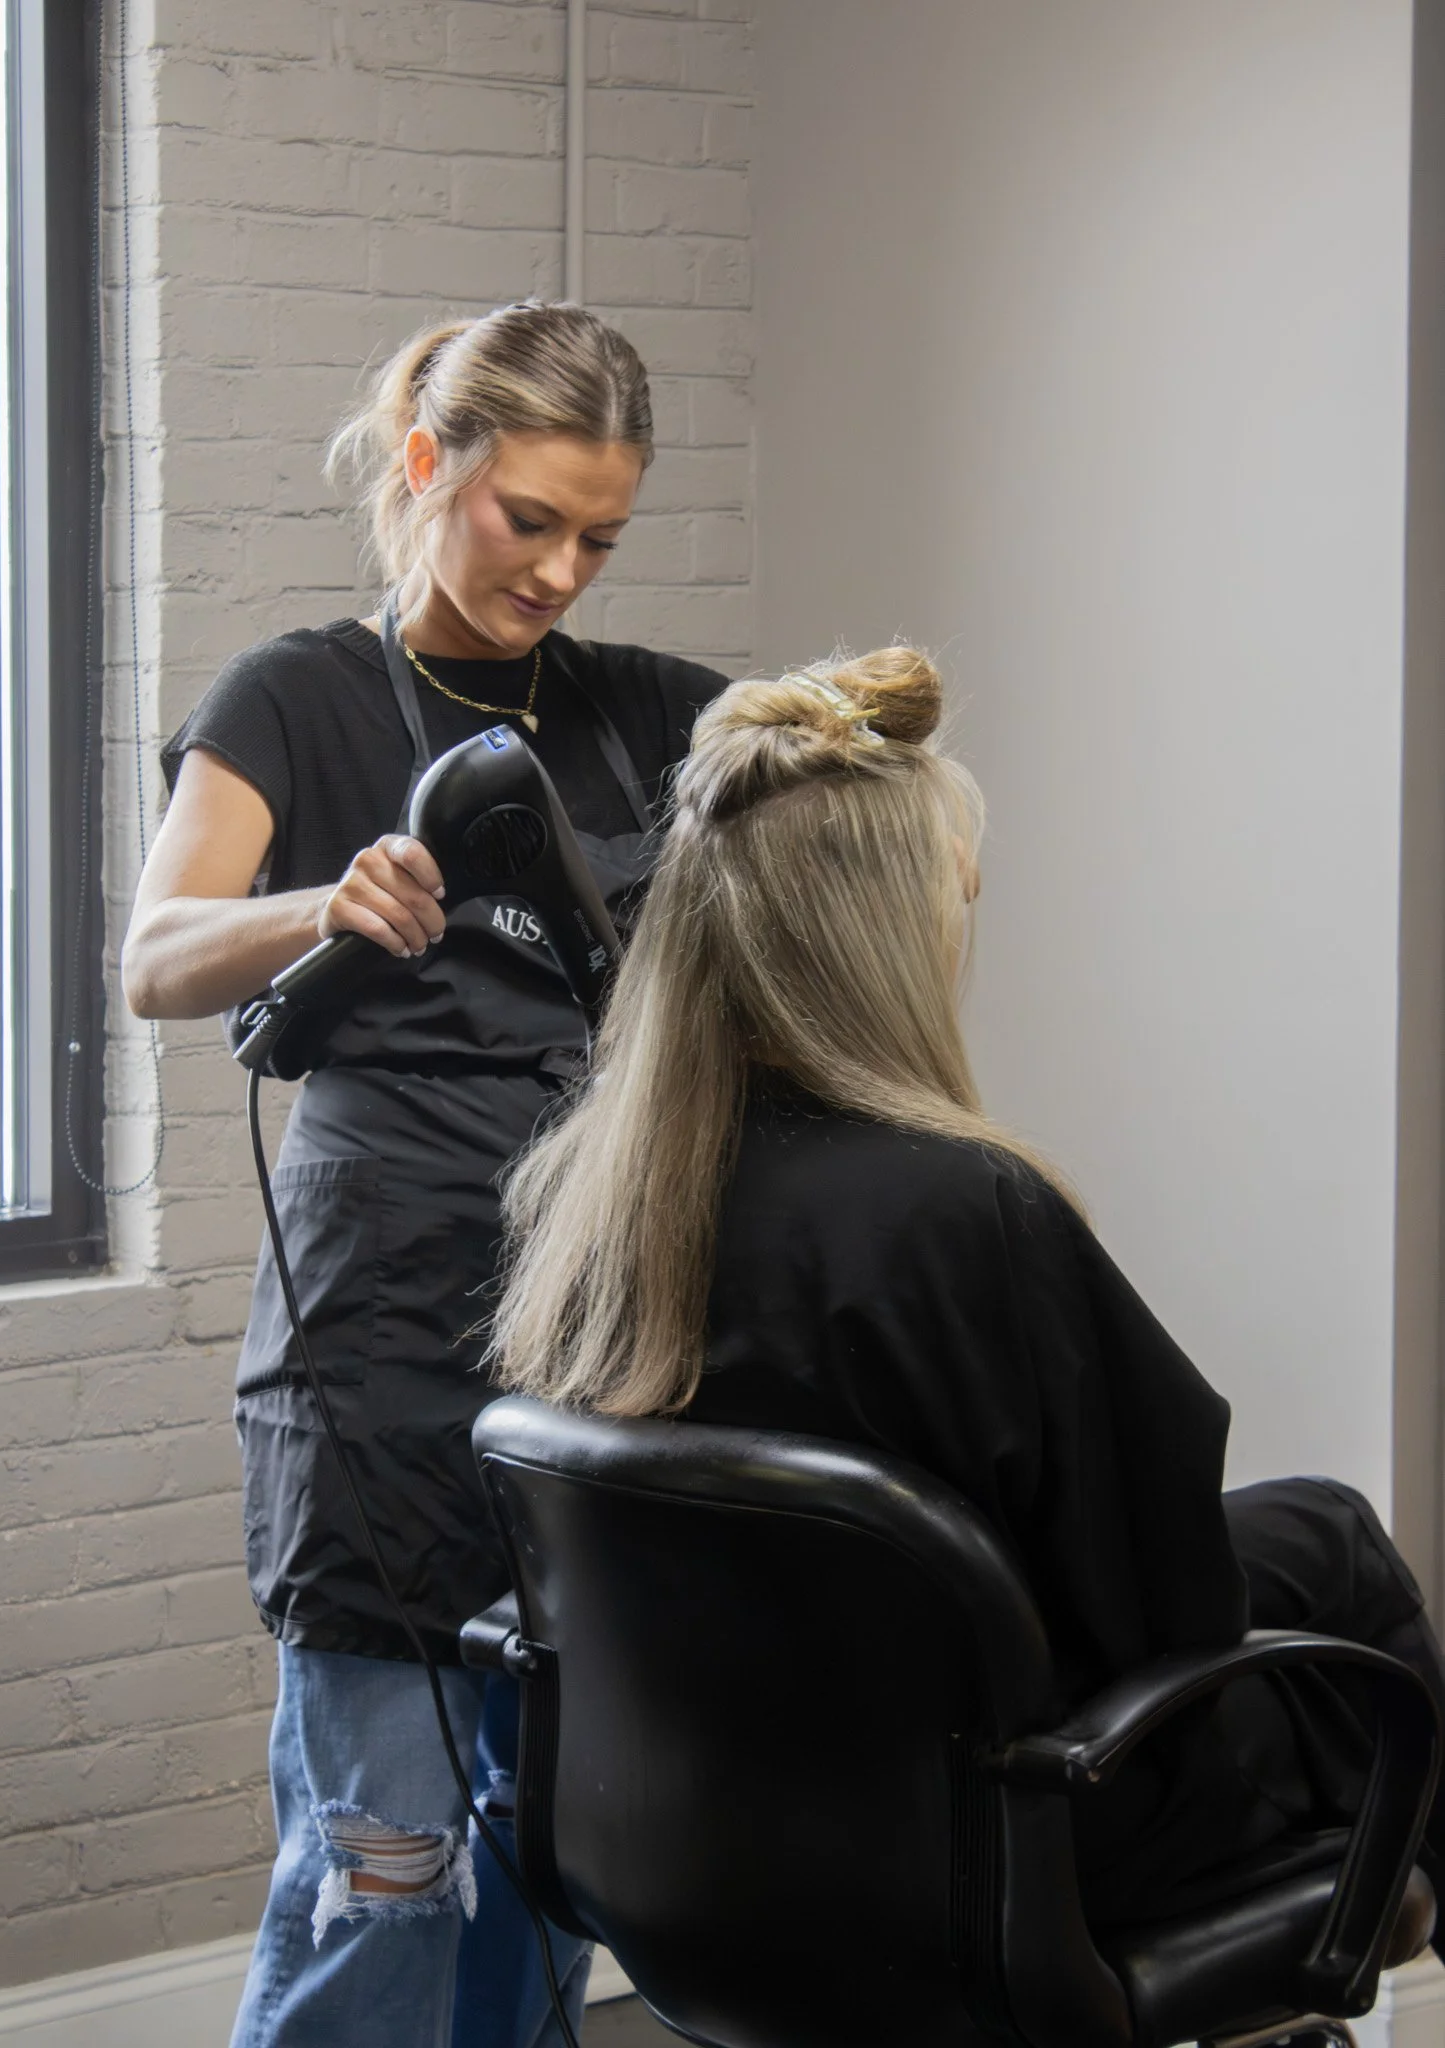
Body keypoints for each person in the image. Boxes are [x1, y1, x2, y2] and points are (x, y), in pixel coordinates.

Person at [490, 647, 1445, 1936]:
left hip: (707, 1833)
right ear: (881, 942)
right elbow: (1151, 1608)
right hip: (1001, 1855)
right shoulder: (965, 1210)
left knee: (1318, 1536)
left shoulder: (580, 1199)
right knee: (1333, 1547)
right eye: (952, 905)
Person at [121, 300, 730, 2048]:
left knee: (547, 1887)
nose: (558, 569)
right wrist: (324, 903)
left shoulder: (632, 712)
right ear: (427, 465)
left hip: (594, 1365)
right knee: (383, 1883)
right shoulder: (295, 698)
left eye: (597, 535)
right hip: (377, 1373)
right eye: (524, 518)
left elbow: (842, 793)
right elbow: (157, 955)